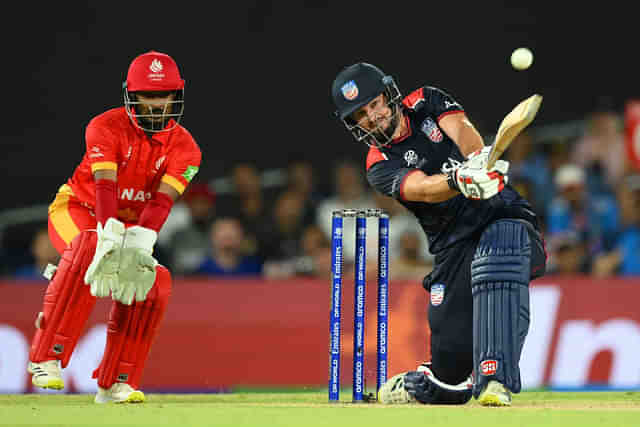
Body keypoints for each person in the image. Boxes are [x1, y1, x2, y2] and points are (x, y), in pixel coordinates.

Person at [331, 63, 546, 406]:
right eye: (361, 114)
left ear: (389, 96)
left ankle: (494, 378)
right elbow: (422, 189)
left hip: (501, 215)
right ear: (355, 124)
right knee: (449, 377)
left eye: (374, 104)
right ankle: (424, 382)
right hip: (451, 246)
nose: (372, 117)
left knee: (499, 252)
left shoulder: (425, 101)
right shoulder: (377, 165)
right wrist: (458, 180)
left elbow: (462, 129)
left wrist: (477, 160)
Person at [27, 51, 201, 404]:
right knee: (90, 247)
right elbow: (104, 184)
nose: (155, 104)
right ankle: (46, 357)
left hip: (132, 227)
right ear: (131, 95)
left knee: (154, 281)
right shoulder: (103, 126)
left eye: (162, 95)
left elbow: (160, 203)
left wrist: (140, 241)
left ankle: (116, 382)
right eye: (147, 96)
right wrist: (108, 232)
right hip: (78, 208)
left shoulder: (188, 149)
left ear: (175, 95)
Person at [194, 217, 262, 276]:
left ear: (242, 237)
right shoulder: (200, 271)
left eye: (233, 230)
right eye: (222, 230)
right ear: (212, 237)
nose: (227, 233)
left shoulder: (254, 268)